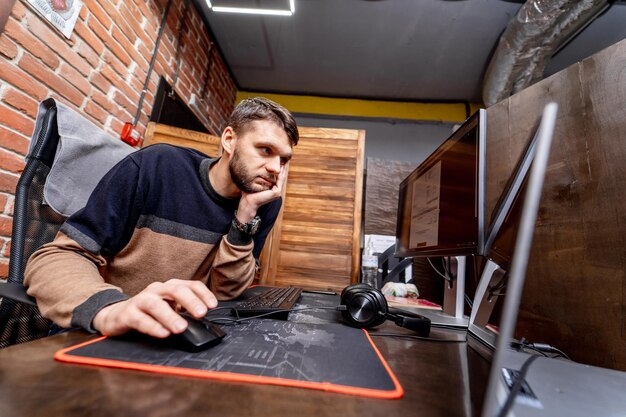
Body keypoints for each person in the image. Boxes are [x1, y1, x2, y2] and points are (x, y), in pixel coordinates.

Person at [24, 97, 298, 340]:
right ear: (229, 140)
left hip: (177, 335)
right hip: (103, 332)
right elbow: (54, 258)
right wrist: (112, 308)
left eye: (284, 160)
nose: (275, 168)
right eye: (265, 150)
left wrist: (244, 218)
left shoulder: (262, 205)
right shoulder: (156, 167)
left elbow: (226, 293)